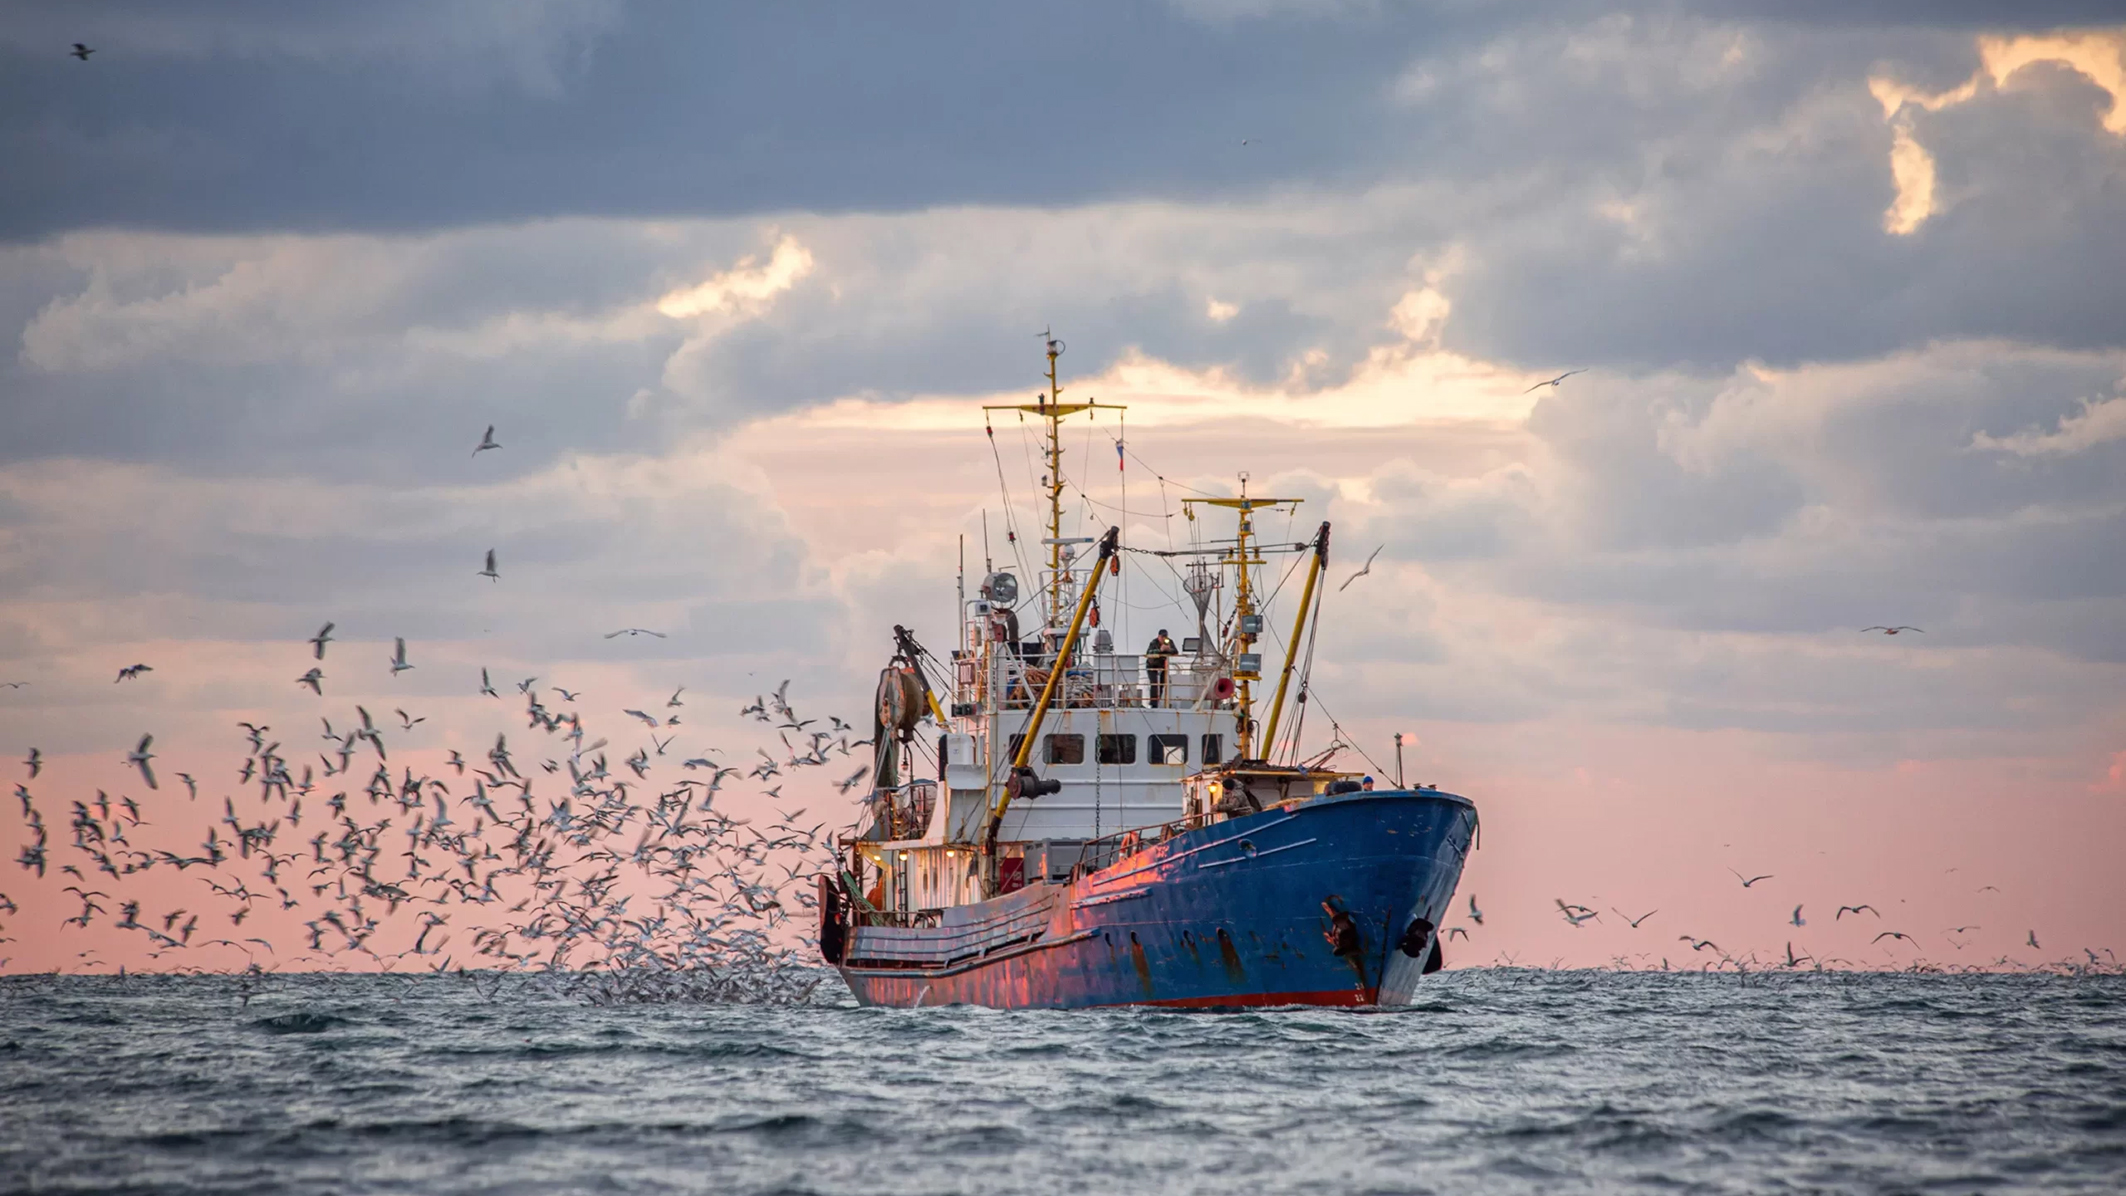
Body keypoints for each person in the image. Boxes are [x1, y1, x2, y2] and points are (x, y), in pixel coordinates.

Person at [1144, 628, 1178, 706]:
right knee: (1154, 684)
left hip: (1162, 666)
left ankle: (1160, 701)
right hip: (1152, 665)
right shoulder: (1153, 643)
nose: (1164, 639)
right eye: (1162, 637)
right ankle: (1153, 703)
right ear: (1159, 637)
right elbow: (1149, 652)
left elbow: (1175, 651)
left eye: (1165, 637)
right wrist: (1160, 650)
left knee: (1162, 684)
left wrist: (1169, 649)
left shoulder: (1169, 642)